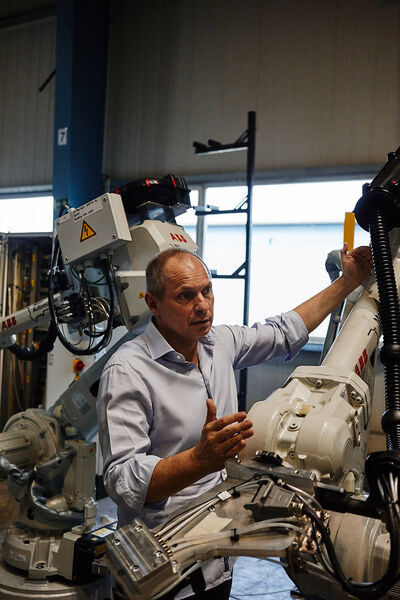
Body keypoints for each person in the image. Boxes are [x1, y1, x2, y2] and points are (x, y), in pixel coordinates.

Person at [97, 243, 372, 599]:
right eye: (185, 296)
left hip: (219, 557)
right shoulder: (128, 370)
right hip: (163, 570)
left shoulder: (217, 343)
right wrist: (199, 460)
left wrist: (347, 282)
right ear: (153, 304)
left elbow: (284, 330)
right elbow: (121, 481)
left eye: (206, 291)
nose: (202, 305)